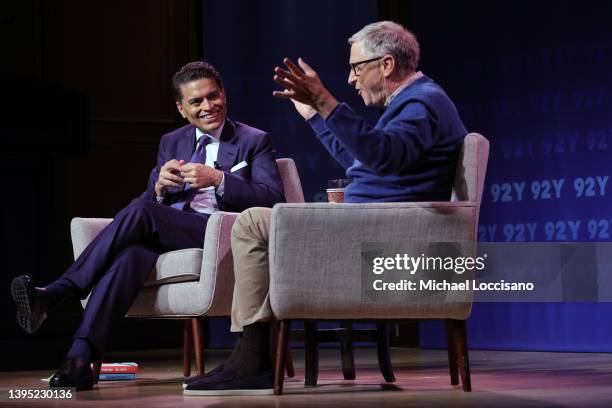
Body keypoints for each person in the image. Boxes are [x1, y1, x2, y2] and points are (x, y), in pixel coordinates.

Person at [183, 21, 468, 396]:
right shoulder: (415, 101)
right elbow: (363, 159)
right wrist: (316, 115)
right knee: (256, 224)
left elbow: (382, 156)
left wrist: (327, 102)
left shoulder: (422, 101)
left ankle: (252, 358)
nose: (351, 79)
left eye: (356, 68)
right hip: (366, 222)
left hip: (375, 230)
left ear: (385, 64)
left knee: (252, 222)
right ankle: (251, 356)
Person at [10, 61, 285, 391]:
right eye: (196, 102)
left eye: (213, 96)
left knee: (141, 213)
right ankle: (79, 359)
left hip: (222, 233)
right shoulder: (172, 141)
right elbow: (151, 204)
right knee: (131, 255)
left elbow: (272, 200)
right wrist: (159, 188)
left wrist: (219, 180)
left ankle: (59, 291)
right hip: (173, 230)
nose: (208, 106)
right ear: (182, 109)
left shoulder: (254, 140)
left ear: (224, 95)